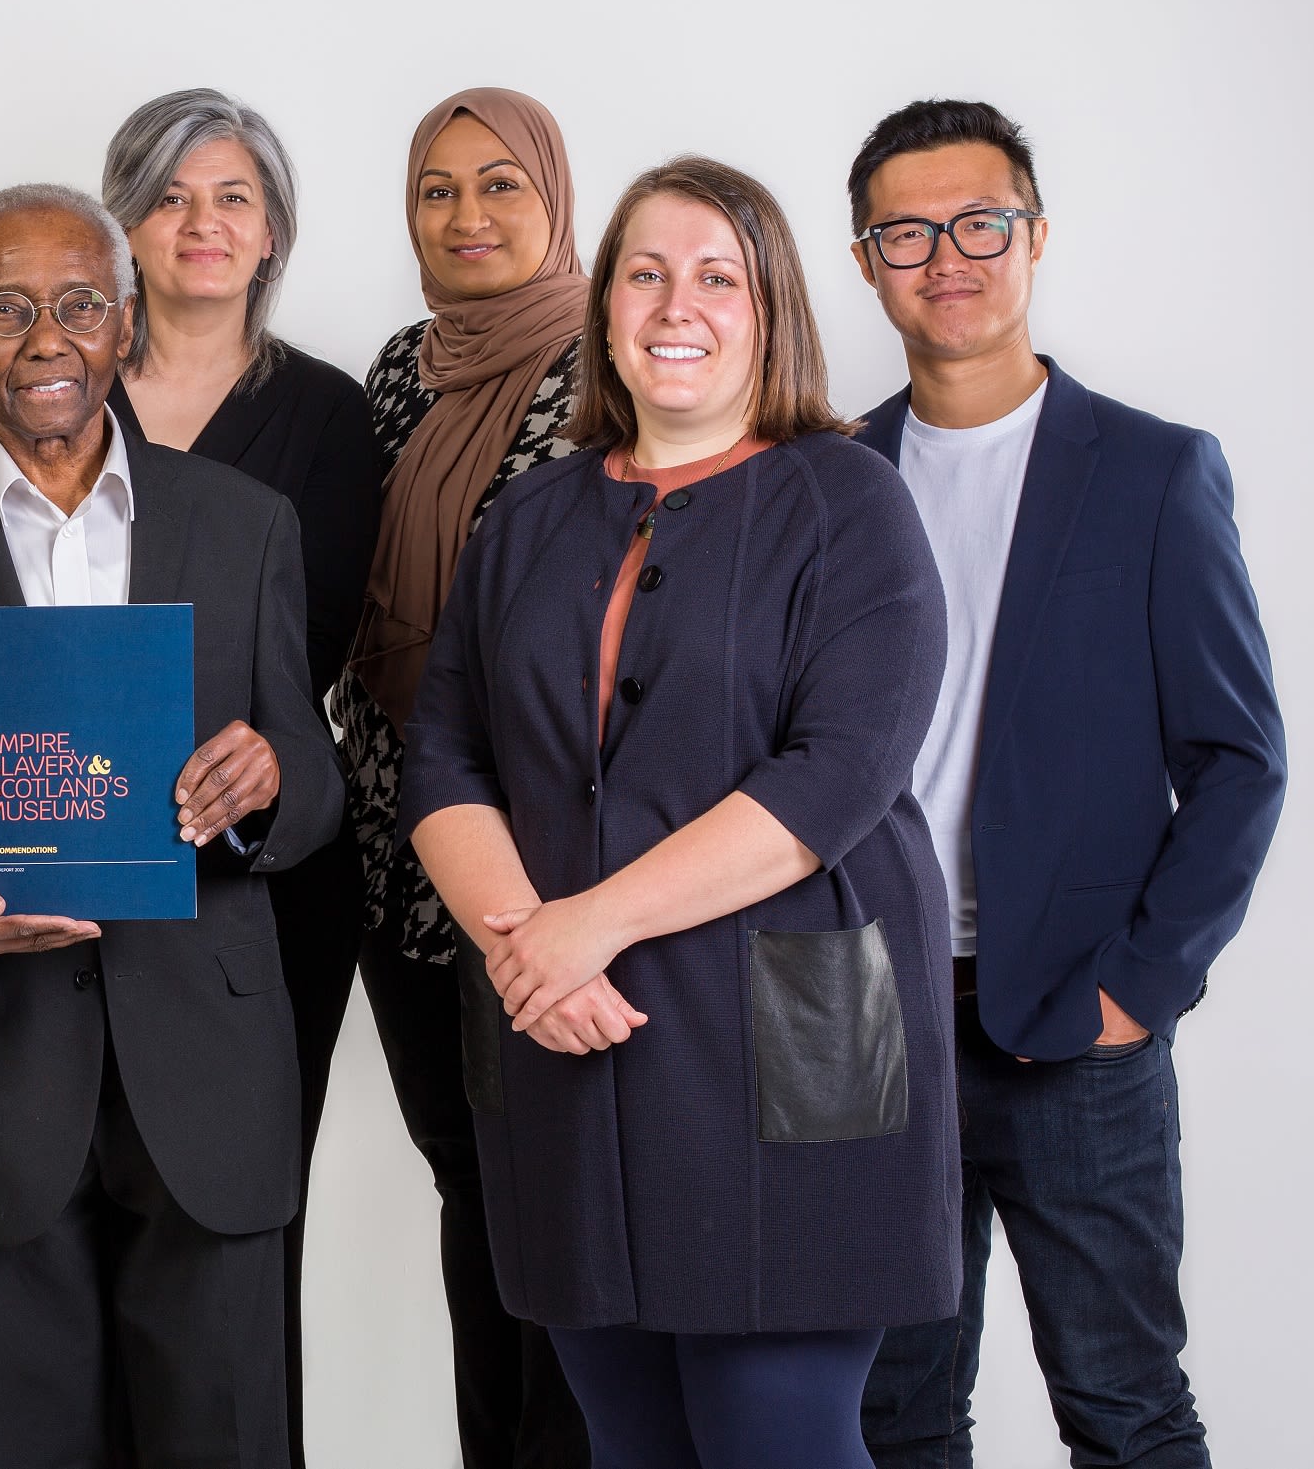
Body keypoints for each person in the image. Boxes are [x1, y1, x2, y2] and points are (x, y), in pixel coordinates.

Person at [399, 156, 961, 1469]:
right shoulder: (529, 515)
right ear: (602, 310)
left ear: (768, 309)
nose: (675, 304)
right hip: (565, 1049)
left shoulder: (850, 499)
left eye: (716, 275)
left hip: (788, 1056)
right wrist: (521, 943)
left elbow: (837, 773)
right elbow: (441, 753)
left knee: (778, 1437)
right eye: (644, 273)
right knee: (627, 1442)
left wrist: (574, 929)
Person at [0, 183, 342, 1469]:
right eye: (4, 309)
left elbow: (313, 778)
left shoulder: (241, 523)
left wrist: (267, 783)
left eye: (77, 304)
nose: (44, 338)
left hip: (206, 1075)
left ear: (123, 324)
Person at [847, 102, 1286, 1469]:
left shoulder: (1151, 472)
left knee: (1122, 1408)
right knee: (888, 1412)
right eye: (906, 232)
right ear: (864, 260)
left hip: (1070, 1025)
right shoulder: (823, 476)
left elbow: (1237, 759)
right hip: (861, 1014)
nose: (946, 257)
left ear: (1033, 237)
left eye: (978, 223)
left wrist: (1137, 990)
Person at [99, 85, 381, 1464]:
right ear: (126, 221)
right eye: (169, 195)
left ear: (271, 229)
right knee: (58, 1226)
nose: (199, 224)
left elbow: (314, 653)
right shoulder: (56, 387)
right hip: (62, 852)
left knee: (232, 1229)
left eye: (231, 198)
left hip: (258, 878)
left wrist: (262, 761)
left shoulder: (328, 415)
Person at [325, 88, 592, 1468]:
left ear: (554, 197)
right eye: (436, 189)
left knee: (554, 1203)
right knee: (469, 1192)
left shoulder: (614, 365)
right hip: (393, 851)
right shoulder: (396, 372)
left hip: (541, 865)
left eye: (499, 185)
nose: (467, 215)